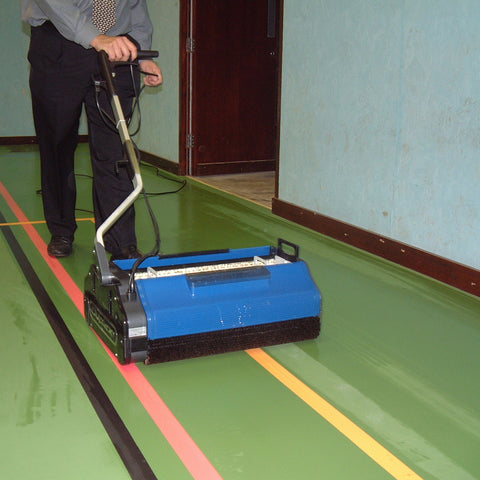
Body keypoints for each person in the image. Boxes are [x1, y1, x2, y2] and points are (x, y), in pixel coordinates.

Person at [21, 0, 163, 258]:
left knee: (115, 149)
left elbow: (135, 5)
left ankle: (120, 242)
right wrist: (94, 37)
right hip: (60, 41)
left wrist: (141, 51)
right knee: (57, 145)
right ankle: (61, 230)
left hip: (116, 48)